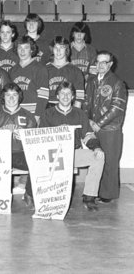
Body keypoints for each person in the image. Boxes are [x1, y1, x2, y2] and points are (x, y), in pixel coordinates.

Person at [42, 82, 105, 211]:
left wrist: (96, 147)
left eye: (68, 94)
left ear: (72, 97)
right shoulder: (47, 114)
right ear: (57, 96)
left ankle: (89, 197)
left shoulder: (80, 114)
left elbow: (88, 135)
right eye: (62, 93)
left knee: (99, 157)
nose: (65, 96)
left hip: (74, 152)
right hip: (53, 154)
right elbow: (40, 139)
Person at [84, 51, 127, 203]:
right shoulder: (91, 81)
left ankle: (107, 195)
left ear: (110, 64)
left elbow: (116, 108)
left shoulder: (117, 83)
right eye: (98, 62)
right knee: (97, 159)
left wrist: (99, 124)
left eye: (104, 62)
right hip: (93, 126)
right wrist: (87, 121)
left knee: (110, 161)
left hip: (110, 129)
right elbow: (86, 102)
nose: (100, 65)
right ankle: (94, 191)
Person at [0, 83, 37, 207]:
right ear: (3, 97)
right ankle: (0, 197)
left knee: (36, 162)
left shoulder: (28, 116)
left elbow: (33, 141)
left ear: (19, 96)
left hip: (20, 153)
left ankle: (29, 193)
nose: (11, 98)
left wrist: (25, 138)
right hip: (0, 154)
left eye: (14, 95)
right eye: (8, 95)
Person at [9, 36, 49, 123]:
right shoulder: (12, 71)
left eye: (26, 48)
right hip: (16, 113)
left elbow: (43, 96)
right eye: (20, 48)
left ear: (31, 50)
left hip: (33, 114)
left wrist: (37, 116)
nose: (22, 51)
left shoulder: (40, 68)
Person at [46, 36, 84, 108]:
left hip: (68, 108)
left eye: (61, 48)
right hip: (48, 108)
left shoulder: (76, 71)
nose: (58, 51)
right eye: (55, 48)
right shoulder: (44, 69)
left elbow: (79, 98)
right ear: (52, 49)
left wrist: (74, 114)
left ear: (66, 49)